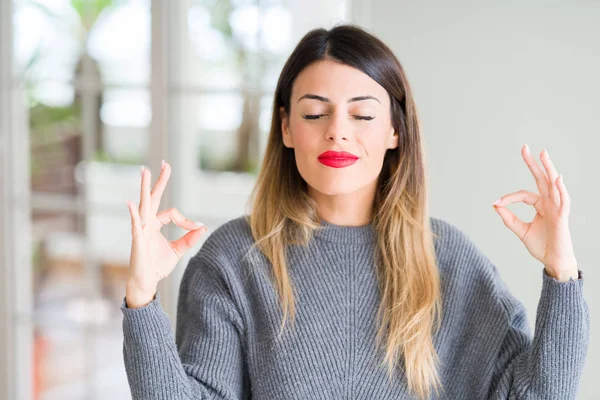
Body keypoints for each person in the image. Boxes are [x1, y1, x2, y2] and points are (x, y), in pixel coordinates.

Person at [121, 24, 589, 400]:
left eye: (362, 115)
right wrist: (142, 299)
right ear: (286, 127)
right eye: (313, 114)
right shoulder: (232, 261)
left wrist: (561, 273)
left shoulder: (449, 260)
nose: (337, 132)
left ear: (395, 131)